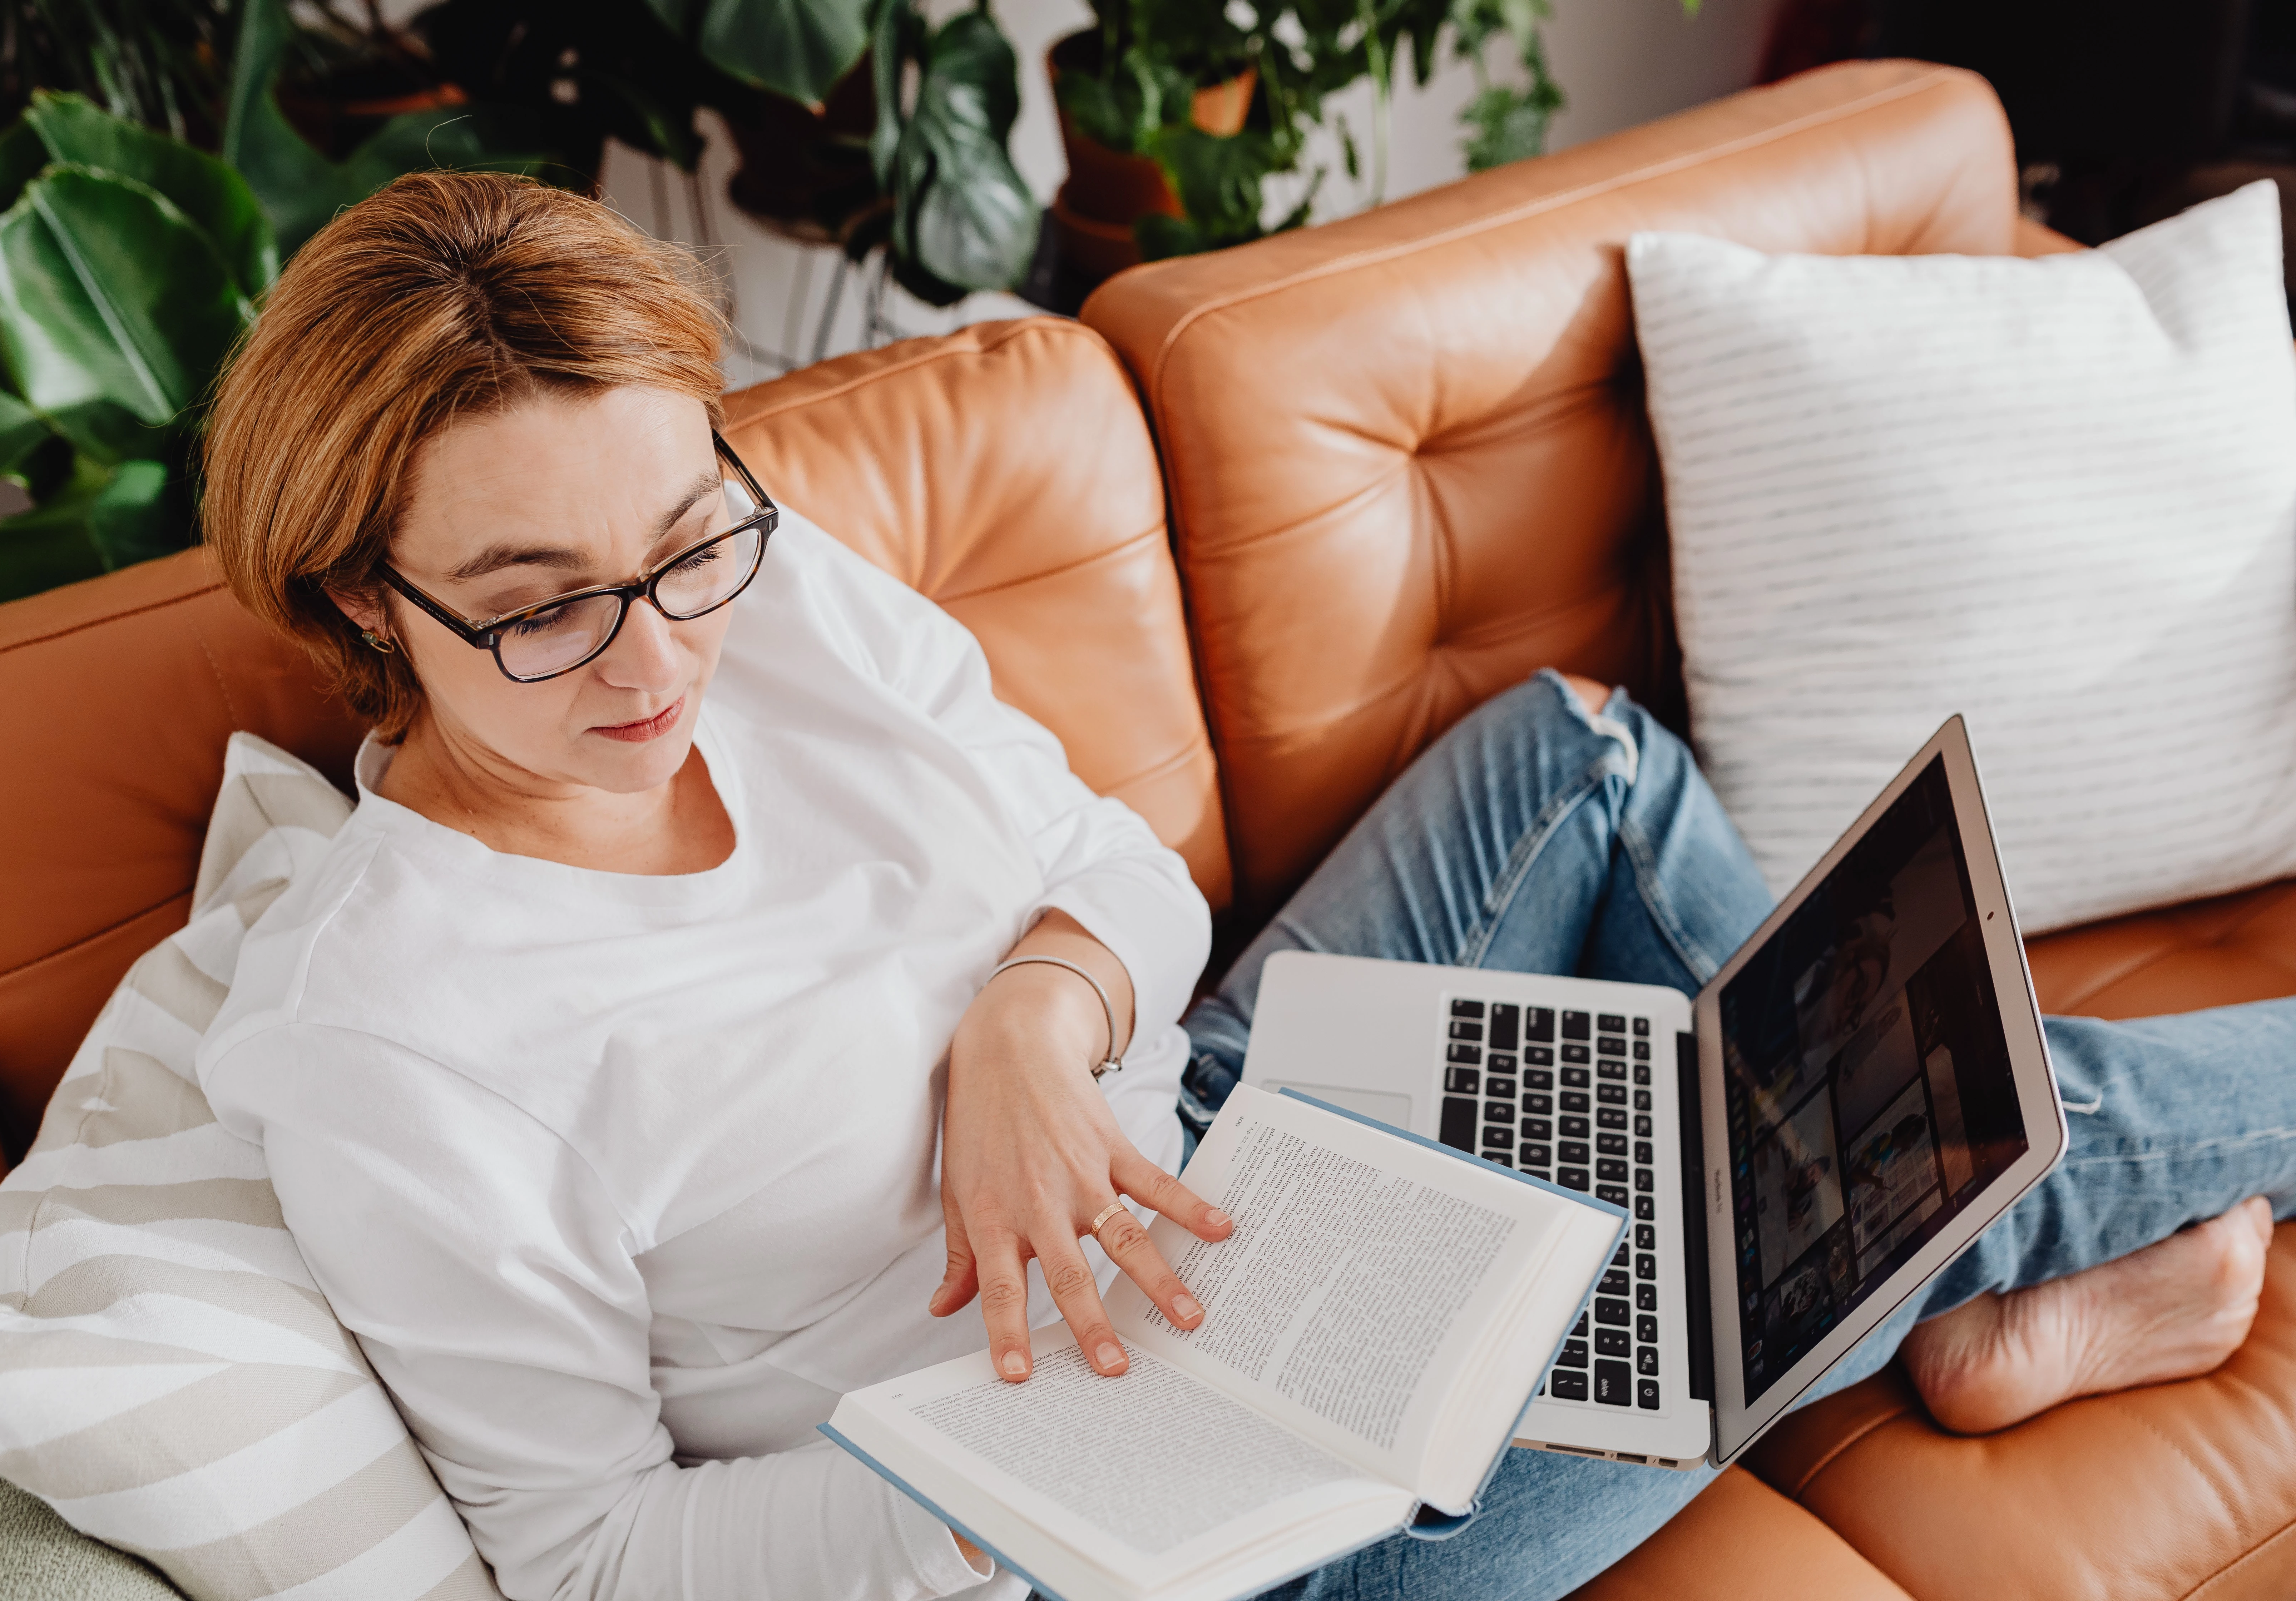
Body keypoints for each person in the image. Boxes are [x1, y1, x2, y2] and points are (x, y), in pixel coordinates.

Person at [196, 171, 2286, 1601]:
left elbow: (1104, 860)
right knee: (1811, 1175)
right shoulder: (401, 1048)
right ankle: (1989, 1260)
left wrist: (1032, 1020)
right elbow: (596, 1567)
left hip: (1199, 1122)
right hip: (1150, 1524)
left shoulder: (756, 577)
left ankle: (1970, 1277)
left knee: (1576, 760)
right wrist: (1061, 1450)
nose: (658, 659)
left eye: (678, 550)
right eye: (537, 613)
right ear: (359, 608)